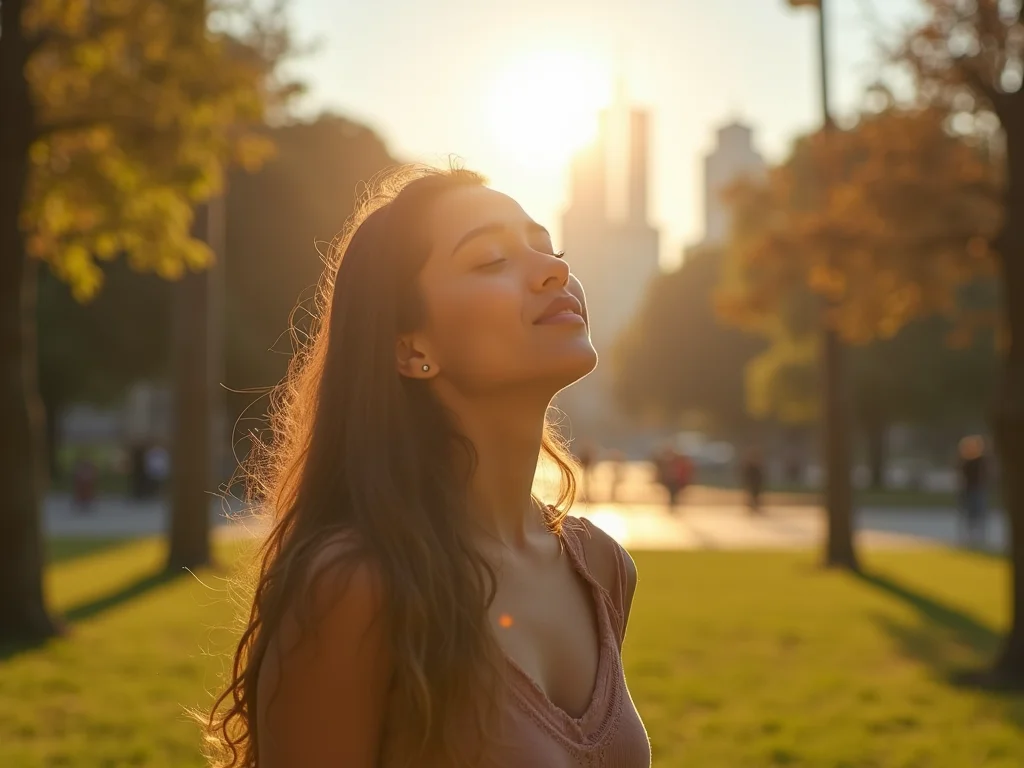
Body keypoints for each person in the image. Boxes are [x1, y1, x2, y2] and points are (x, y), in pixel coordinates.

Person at [203, 167, 650, 768]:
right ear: (412, 348)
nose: (554, 271)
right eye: (492, 259)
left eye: (550, 250)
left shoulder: (600, 567)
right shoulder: (356, 587)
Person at [958, 435, 988, 548]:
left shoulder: (981, 461)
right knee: (969, 513)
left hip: (978, 489)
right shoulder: (966, 462)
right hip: (968, 490)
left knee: (979, 513)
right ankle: (970, 537)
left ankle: (979, 537)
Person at [741, 448, 765, 515]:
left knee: (755, 495)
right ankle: (751, 507)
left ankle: (755, 507)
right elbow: (747, 475)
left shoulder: (756, 467)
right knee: (751, 495)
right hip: (752, 483)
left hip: (756, 483)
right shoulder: (750, 467)